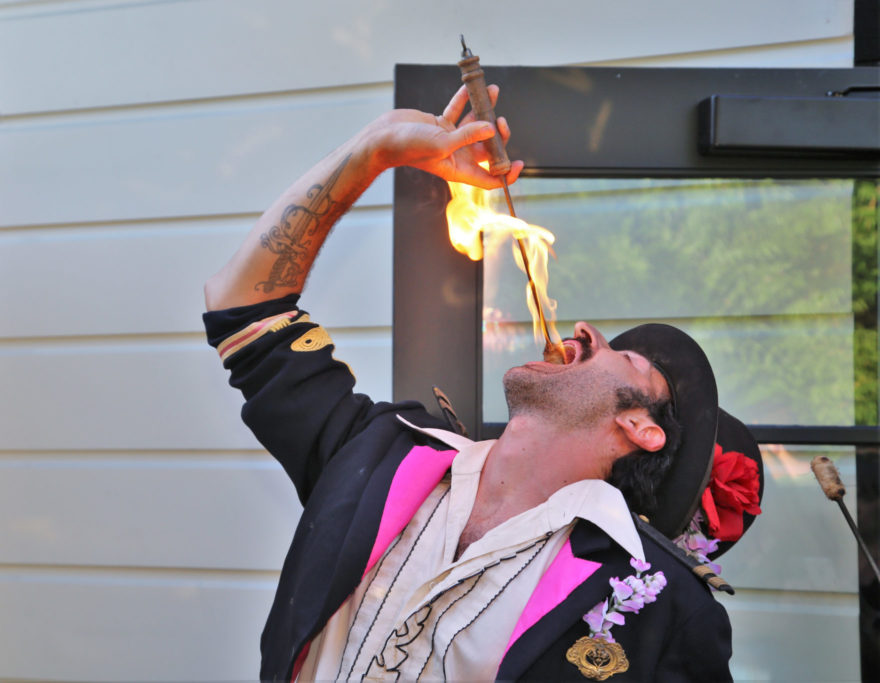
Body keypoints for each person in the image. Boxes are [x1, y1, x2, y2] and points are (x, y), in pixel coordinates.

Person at [203, 85, 762, 681]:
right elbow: (243, 307)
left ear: (640, 427)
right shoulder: (380, 452)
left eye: (628, 360)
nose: (586, 331)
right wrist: (376, 148)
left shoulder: (664, 605)